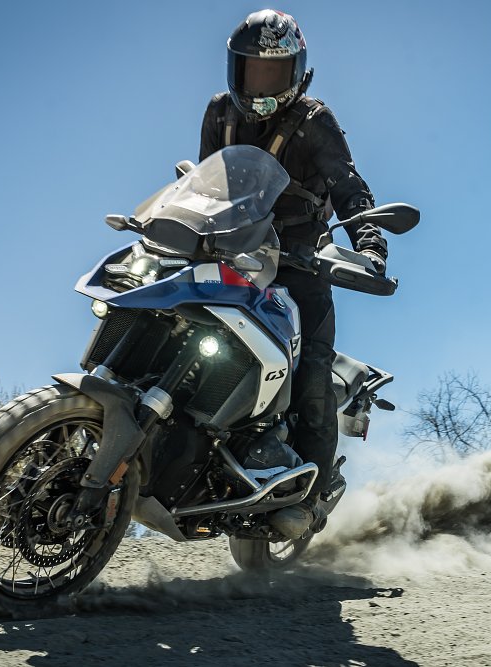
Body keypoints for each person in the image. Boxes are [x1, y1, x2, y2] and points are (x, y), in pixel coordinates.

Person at [198, 9, 388, 539]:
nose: (260, 83)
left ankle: (312, 495)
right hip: (233, 258)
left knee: (312, 372)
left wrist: (369, 244)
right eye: (251, 70)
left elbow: (350, 189)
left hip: (299, 264)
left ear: (296, 73)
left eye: (272, 73)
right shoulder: (219, 112)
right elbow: (205, 185)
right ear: (235, 69)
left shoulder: (315, 120)